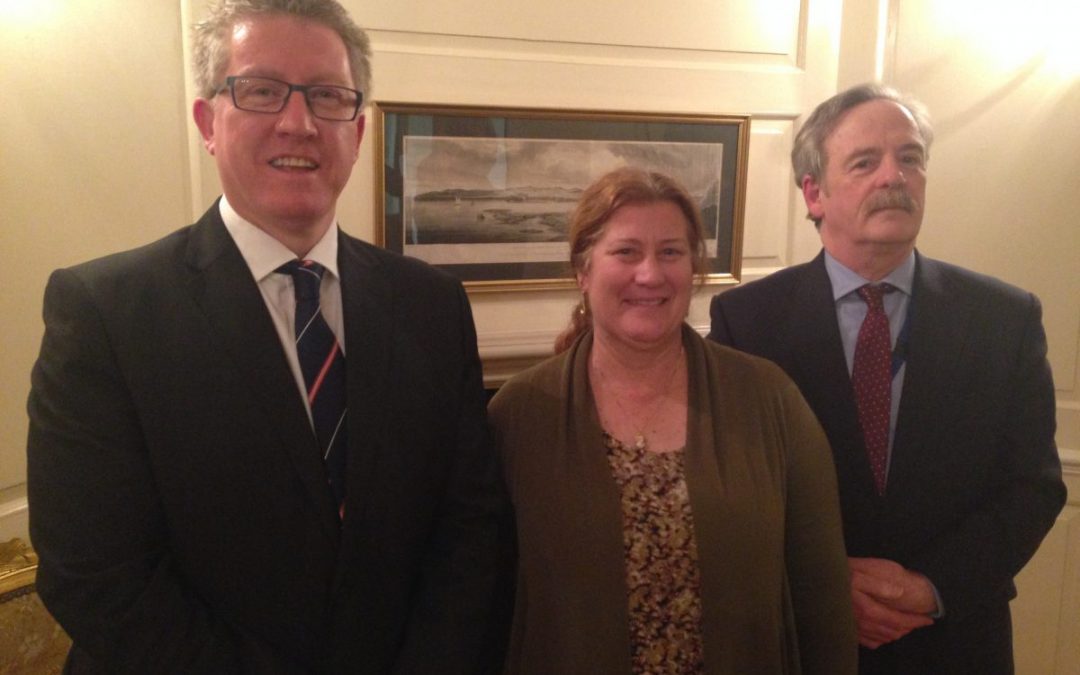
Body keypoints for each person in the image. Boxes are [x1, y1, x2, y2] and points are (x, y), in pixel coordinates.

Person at [26, 1, 505, 672]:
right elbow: (95, 574)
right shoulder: (105, 314)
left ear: (358, 130)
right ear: (208, 123)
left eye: (327, 96)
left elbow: (470, 530)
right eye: (260, 90)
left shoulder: (431, 304)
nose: (298, 122)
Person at [708, 83, 1066, 674]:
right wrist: (825, 585)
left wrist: (930, 587)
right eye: (865, 162)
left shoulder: (1004, 318)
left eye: (910, 158)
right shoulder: (749, 321)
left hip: (954, 641)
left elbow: (1033, 485)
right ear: (814, 193)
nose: (894, 176)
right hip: (806, 640)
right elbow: (733, 492)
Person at [488, 166, 857, 675]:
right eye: (626, 252)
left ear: (693, 268)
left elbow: (824, 600)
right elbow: (484, 599)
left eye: (670, 252)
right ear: (583, 270)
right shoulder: (520, 414)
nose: (650, 274)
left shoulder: (770, 400)